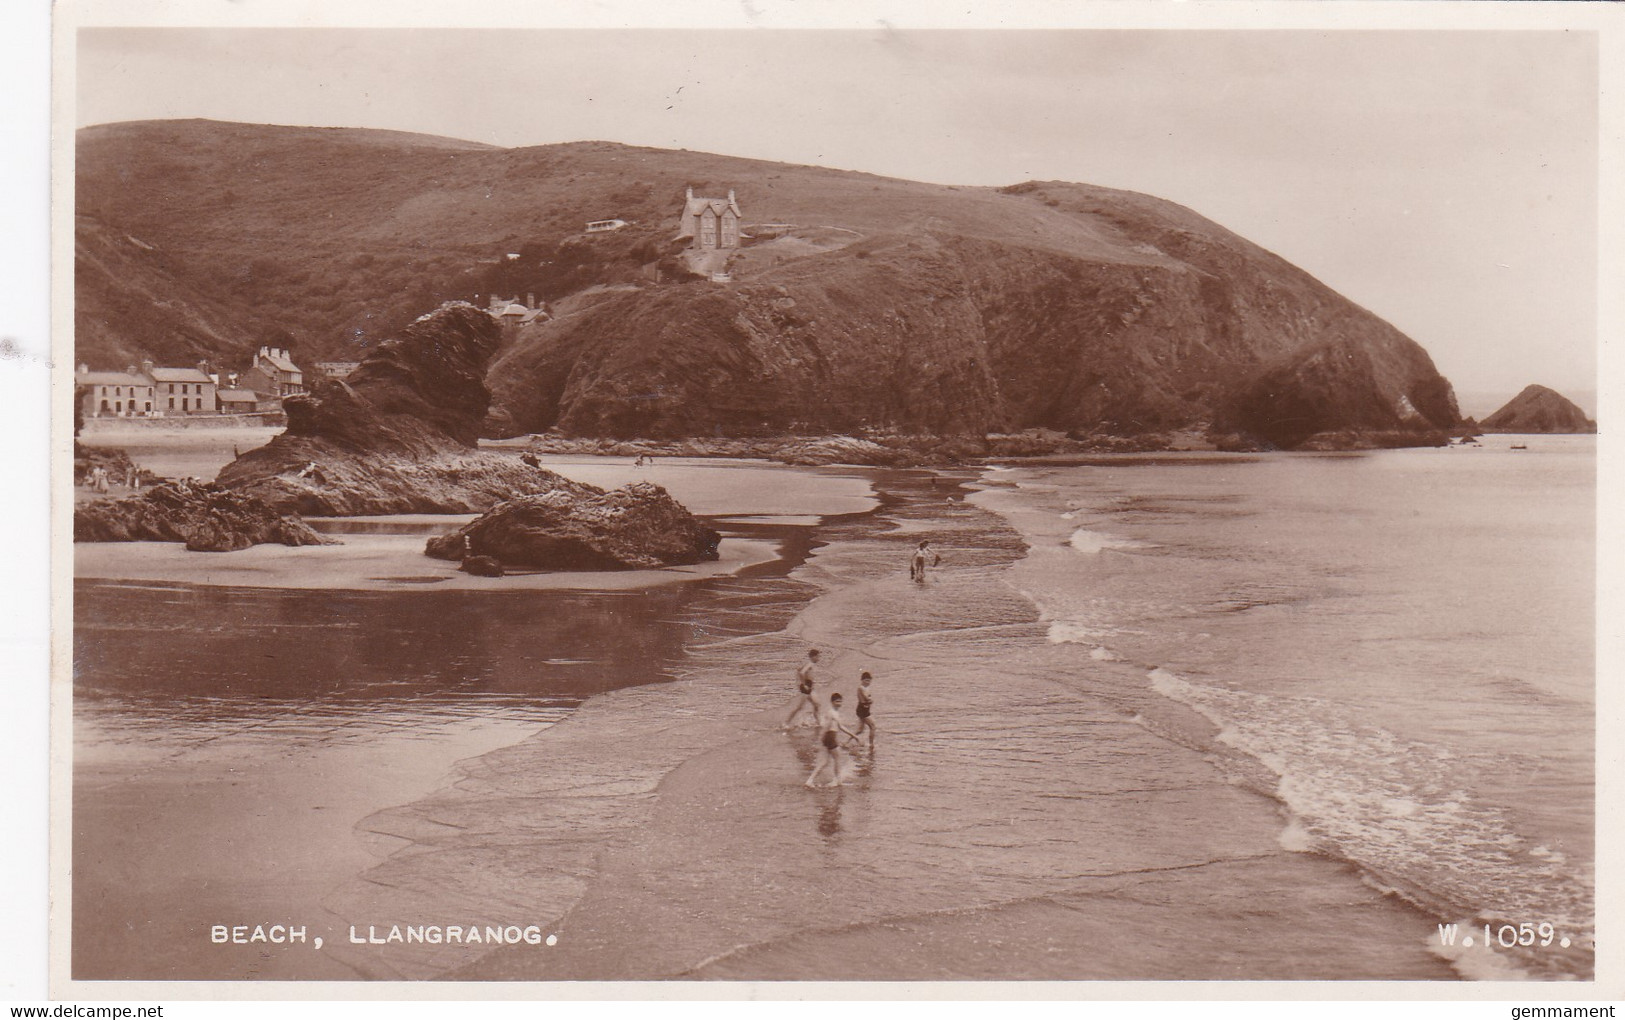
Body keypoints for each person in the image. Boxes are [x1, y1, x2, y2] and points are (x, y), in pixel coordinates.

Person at [806, 692, 859, 788]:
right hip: (829, 736)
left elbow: (841, 726)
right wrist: (821, 737)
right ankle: (837, 780)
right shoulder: (831, 713)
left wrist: (853, 735)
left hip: (831, 736)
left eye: (840, 701)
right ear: (832, 702)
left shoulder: (836, 713)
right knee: (838, 758)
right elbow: (826, 726)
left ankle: (810, 780)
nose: (839, 703)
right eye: (837, 702)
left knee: (824, 762)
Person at [783, 648, 821, 728]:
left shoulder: (810, 664)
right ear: (813, 657)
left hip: (809, 687)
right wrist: (804, 685)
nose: (819, 658)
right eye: (818, 657)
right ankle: (786, 723)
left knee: (817, 704)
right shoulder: (810, 664)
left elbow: (799, 671)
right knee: (800, 707)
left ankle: (818, 722)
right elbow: (802, 673)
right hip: (806, 687)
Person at [851, 671, 876, 745]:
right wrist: (870, 700)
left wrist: (870, 700)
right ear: (862, 680)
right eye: (866, 680)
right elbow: (867, 698)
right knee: (873, 726)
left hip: (865, 709)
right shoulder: (861, 688)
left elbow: (868, 698)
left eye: (869, 680)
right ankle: (871, 744)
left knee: (860, 730)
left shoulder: (867, 688)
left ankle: (847, 741)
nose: (868, 682)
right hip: (862, 710)